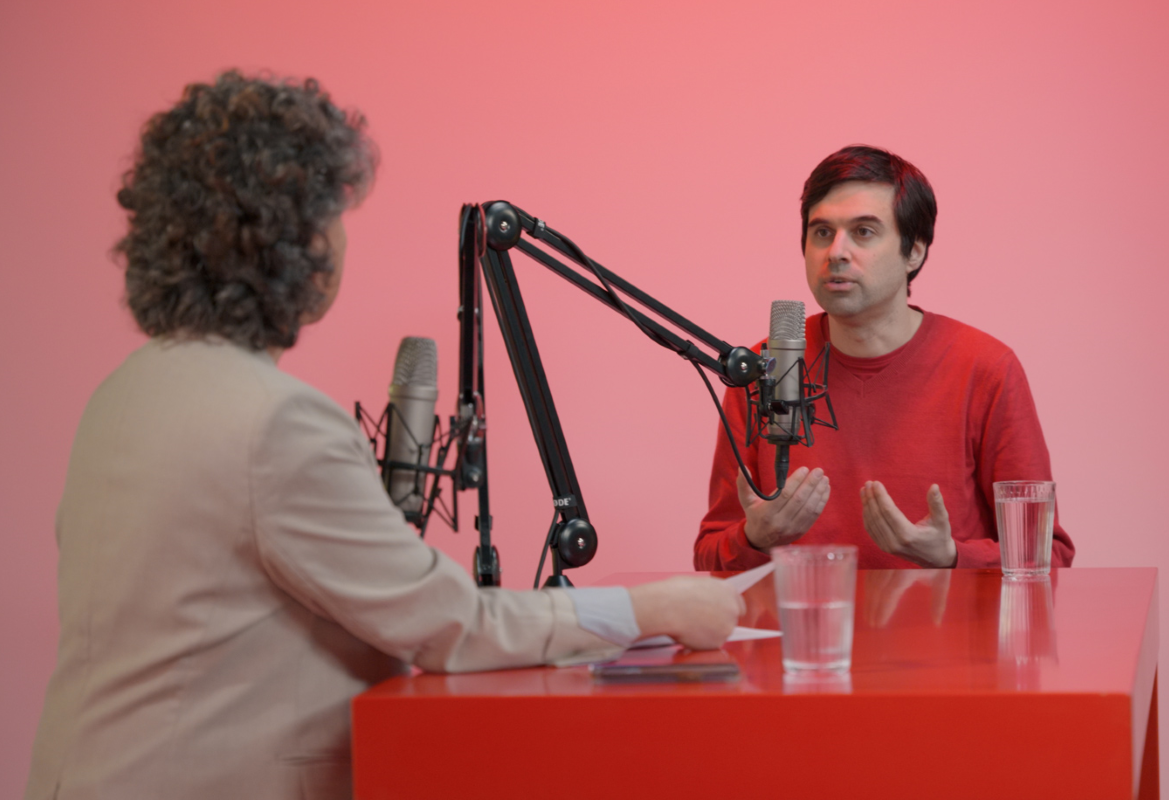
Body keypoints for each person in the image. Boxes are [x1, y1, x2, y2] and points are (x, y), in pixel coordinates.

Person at [25, 71, 743, 800]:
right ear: (295, 238)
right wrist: (651, 609)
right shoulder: (276, 422)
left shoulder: (124, 393)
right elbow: (445, 623)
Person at [695, 145, 1075, 571]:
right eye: (822, 232)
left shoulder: (985, 368)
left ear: (914, 251)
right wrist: (755, 538)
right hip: (803, 632)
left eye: (863, 232)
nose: (836, 252)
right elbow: (710, 554)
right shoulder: (763, 369)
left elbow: (1048, 556)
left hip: (941, 635)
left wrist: (950, 556)